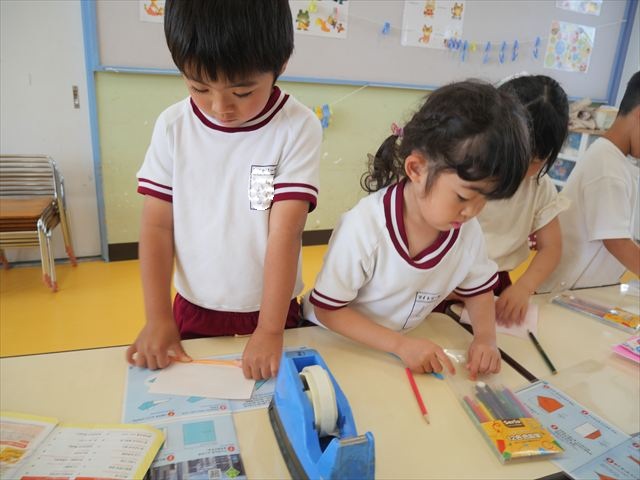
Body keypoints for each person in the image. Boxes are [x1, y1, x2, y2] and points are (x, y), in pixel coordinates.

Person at [126, 0, 322, 380]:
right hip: (195, 305)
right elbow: (157, 226)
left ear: (281, 65)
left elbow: (285, 231)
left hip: (271, 310)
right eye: (199, 87)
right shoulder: (173, 126)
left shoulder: (296, 127)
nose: (220, 107)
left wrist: (270, 329)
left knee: (276, 398)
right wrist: (157, 318)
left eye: (242, 92)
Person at [303, 81, 531, 378]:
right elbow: (328, 310)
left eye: (485, 199)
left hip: (394, 351)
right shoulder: (365, 227)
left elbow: (478, 290)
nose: (472, 211)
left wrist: (485, 339)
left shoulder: (466, 230)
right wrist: (400, 345)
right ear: (416, 169)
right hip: (332, 342)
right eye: (463, 197)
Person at [476, 75, 569, 325]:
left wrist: (525, 287)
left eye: (534, 161)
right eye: (512, 155)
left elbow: (551, 247)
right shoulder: (467, 173)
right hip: (444, 282)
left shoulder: (539, 186)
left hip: (497, 284)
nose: (518, 168)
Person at [539, 71, 640, 292]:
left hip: (583, 287)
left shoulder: (612, 158)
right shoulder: (608, 166)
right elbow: (617, 242)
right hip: (566, 289)